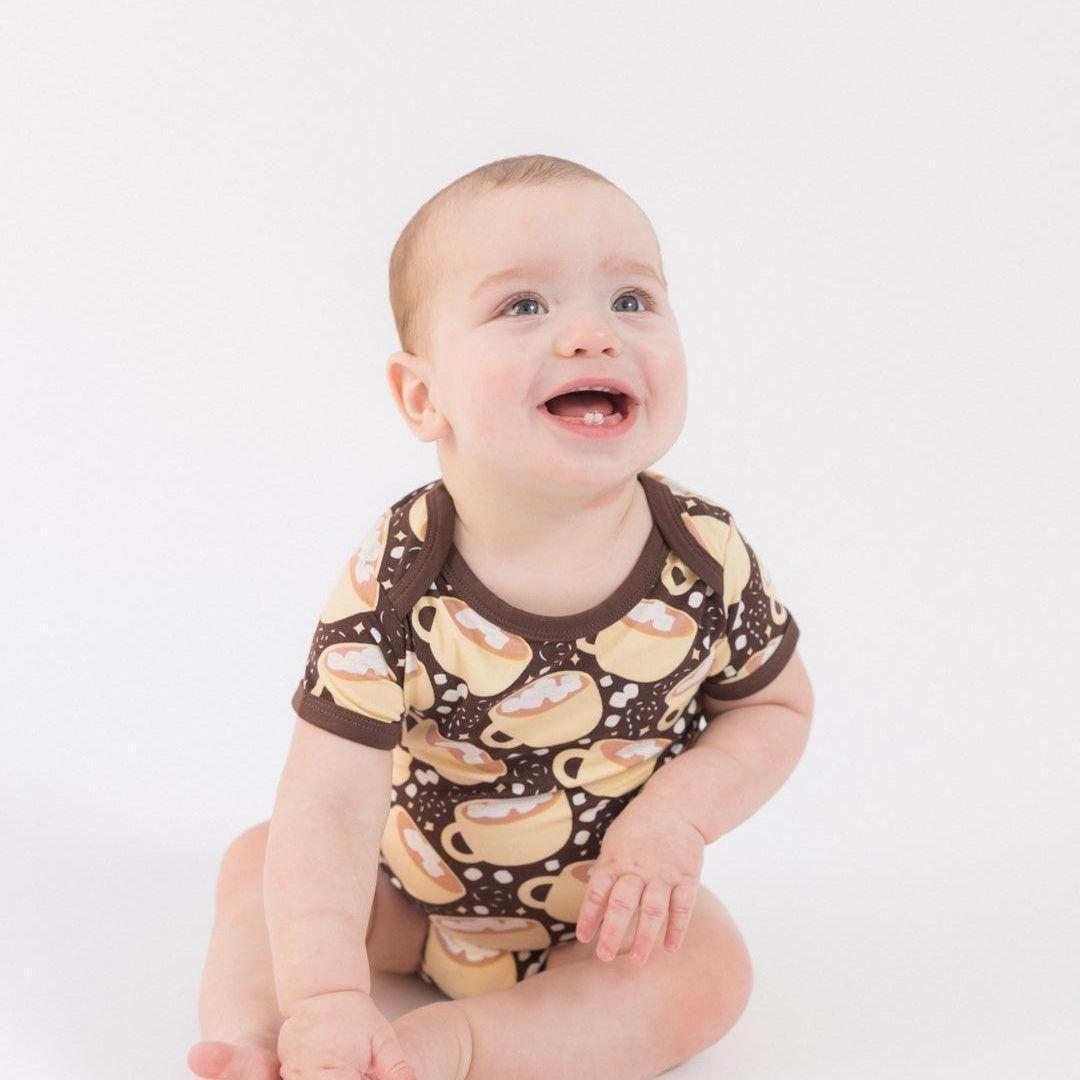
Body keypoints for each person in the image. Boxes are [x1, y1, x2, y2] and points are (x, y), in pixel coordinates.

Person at [187, 153, 814, 1080]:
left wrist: (675, 821)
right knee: (266, 860)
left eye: (631, 300)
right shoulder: (398, 575)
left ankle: (454, 1047)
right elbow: (330, 795)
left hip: (599, 921)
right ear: (423, 396)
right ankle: (264, 1038)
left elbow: (775, 709)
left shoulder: (703, 557)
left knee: (709, 976)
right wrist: (324, 989)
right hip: (404, 898)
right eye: (524, 305)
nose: (592, 335)